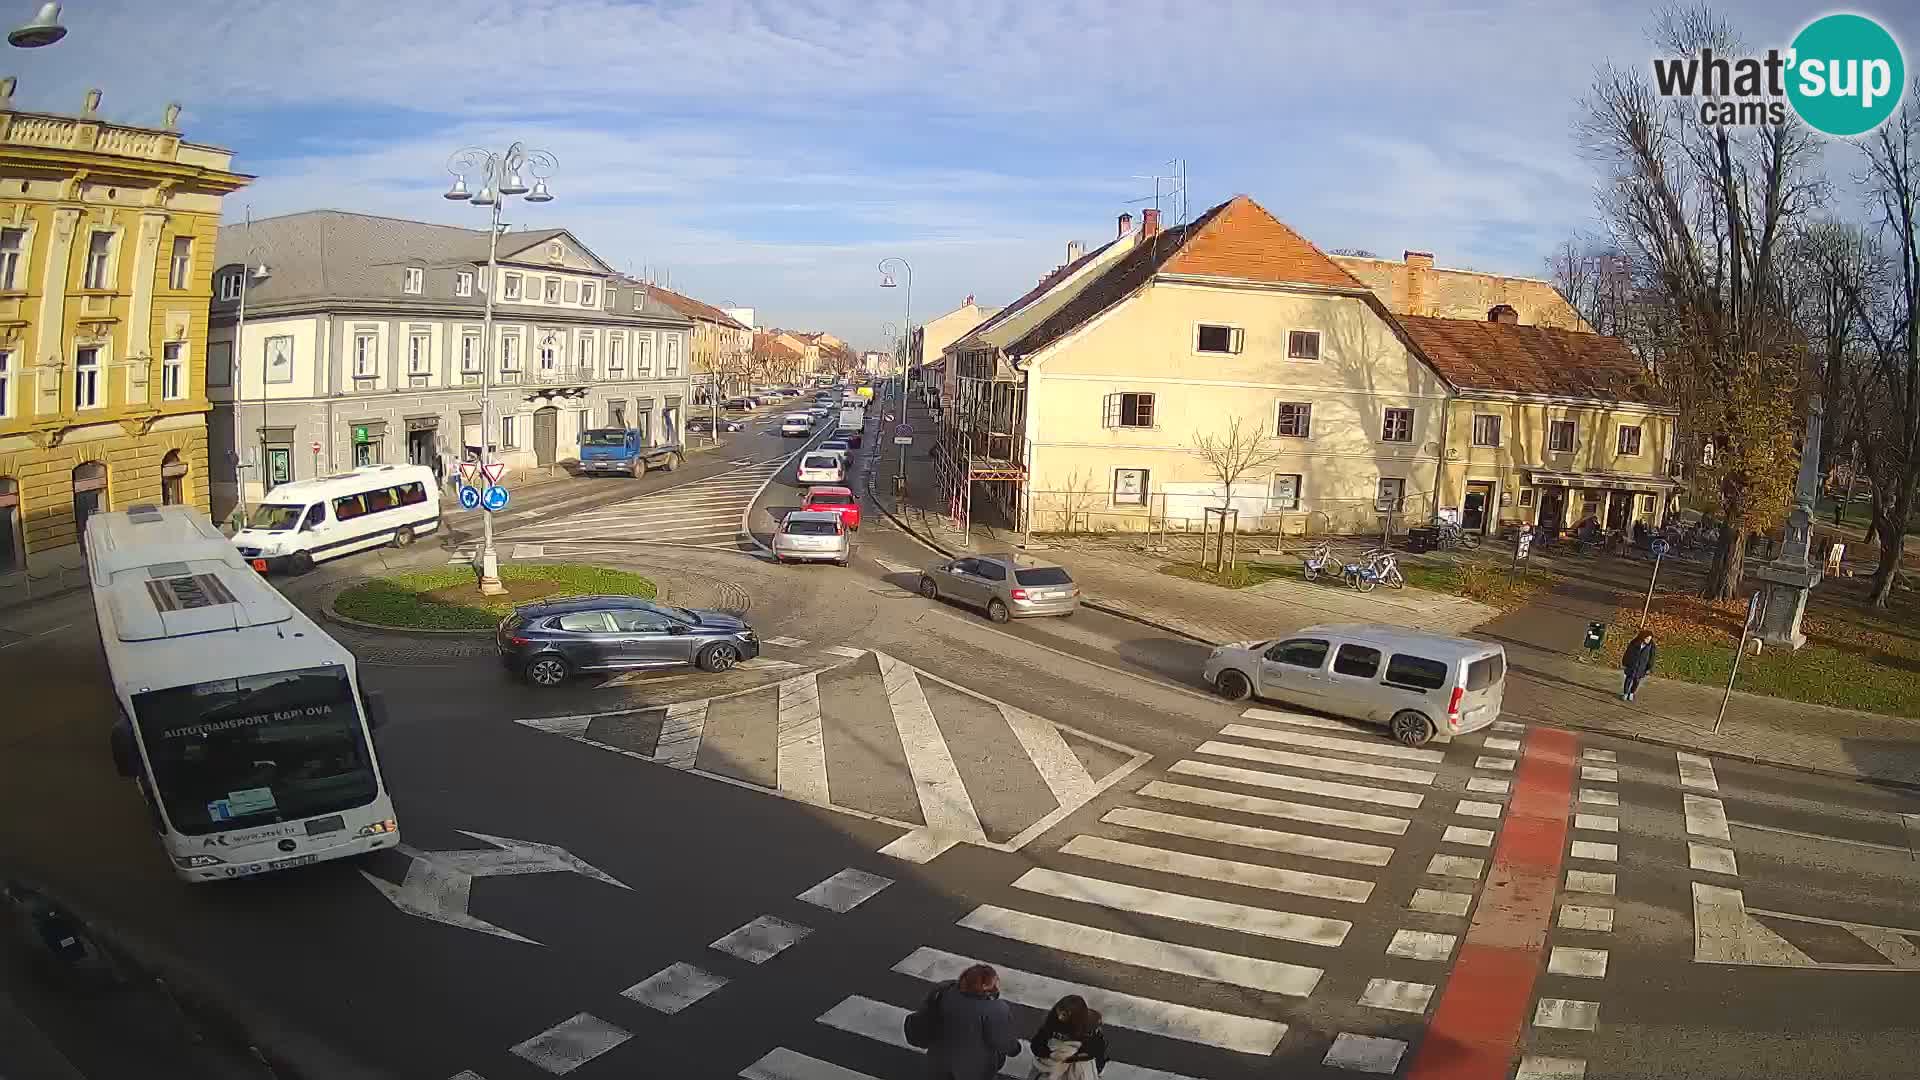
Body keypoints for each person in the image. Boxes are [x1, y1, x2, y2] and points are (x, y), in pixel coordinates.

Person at [926, 964, 1021, 1080]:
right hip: (975, 1069)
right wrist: (1015, 1048)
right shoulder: (995, 1009)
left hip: (938, 1060)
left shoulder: (943, 993)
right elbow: (1002, 1041)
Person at [1028, 995, 1107, 1079]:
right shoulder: (1052, 1021)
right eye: (1060, 1012)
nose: (1059, 1017)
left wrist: (1068, 1057)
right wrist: (1053, 1055)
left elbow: (1096, 1052)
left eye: (1064, 1014)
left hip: (1069, 1068)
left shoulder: (1090, 1033)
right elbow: (1037, 1045)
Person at [1622, 629, 1657, 701]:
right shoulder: (1634, 643)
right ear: (1643, 637)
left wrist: (1649, 667)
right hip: (1632, 665)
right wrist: (1625, 662)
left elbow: (1651, 657)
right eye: (1647, 639)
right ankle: (1625, 693)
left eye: (1649, 639)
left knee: (1636, 681)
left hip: (1641, 667)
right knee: (1628, 679)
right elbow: (1628, 653)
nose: (1648, 641)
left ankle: (1631, 693)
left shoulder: (1651, 647)